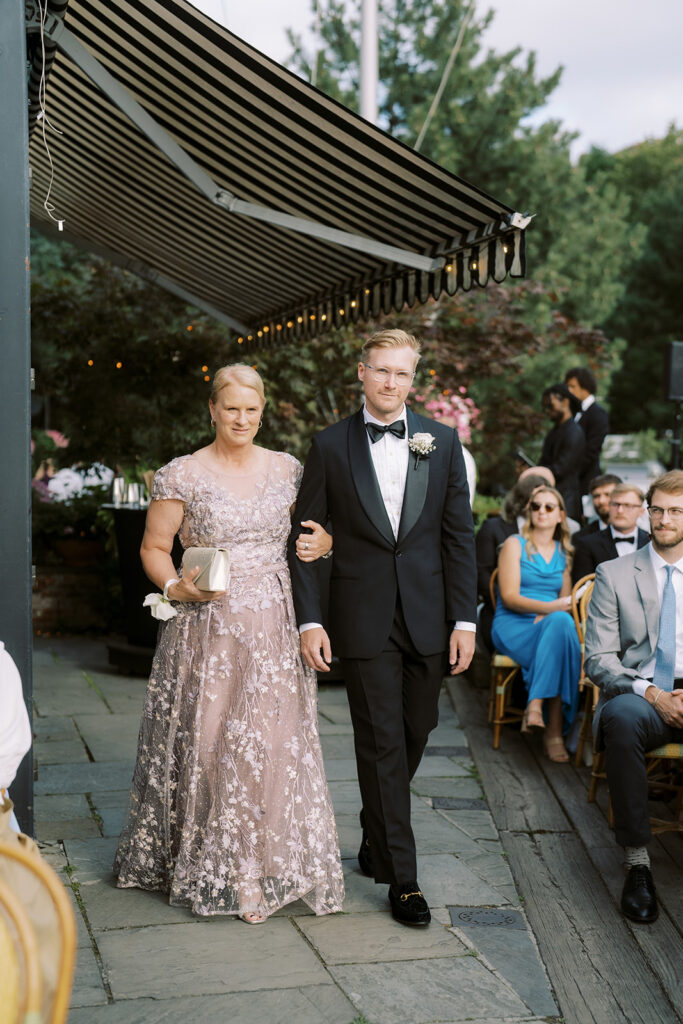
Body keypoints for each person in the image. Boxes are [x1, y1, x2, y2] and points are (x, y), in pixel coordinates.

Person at [114, 364, 344, 924]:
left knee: (269, 744)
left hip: (273, 627)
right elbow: (153, 547)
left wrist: (327, 543)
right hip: (206, 632)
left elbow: (314, 534)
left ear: (261, 411)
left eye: (251, 409)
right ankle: (220, 868)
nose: (242, 419)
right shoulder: (182, 475)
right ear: (212, 410)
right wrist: (174, 586)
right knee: (212, 742)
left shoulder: (289, 469)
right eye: (231, 408)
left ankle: (261, 862)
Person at [287, 329, 477, 927]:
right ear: (362, 373)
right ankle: (405, 879)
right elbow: (306, 542)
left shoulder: (441, 443)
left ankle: (376, 832)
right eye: (381, 371)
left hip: (429, 616)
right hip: (361, 617)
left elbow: (457, 537)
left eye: (402, 373)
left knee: (417, 729)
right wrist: (311, 619)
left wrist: (465, 619)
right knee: (382, 743)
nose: (391, 382)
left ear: (412, 380)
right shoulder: (329, 446)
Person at [584, 470, 683, 924]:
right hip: (640, 692)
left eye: (676, 511)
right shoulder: (615, 572)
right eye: (658, 509)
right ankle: (638, 863)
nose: (664, 519)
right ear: (648, 511)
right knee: (620, 719)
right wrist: (654, 692)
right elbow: (598, 659)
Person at [492, 485, 581, 762]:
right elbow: (508, 597)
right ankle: (553, 732)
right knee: (560, 628)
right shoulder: (513, 544)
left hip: (550, 624)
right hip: (514, 624)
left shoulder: (564, 552)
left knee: (560, 627)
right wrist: (550, 608)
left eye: (549, 507)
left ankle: (536, 704)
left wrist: (554, 612)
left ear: (560, 516)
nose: (541, 511)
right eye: (536, 506)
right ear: (529, 512)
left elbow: (566, 600)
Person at [476, 473, 549, 652]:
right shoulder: (493, 528)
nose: (540, 507)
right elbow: (481, 574)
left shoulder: (551, 532)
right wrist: (514, 602)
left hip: (544, 613)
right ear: (523, 499)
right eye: (535, 500)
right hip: (500, 609)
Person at [572, 483, 650, 583]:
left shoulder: (652, 543)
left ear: (641, 511)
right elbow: (583, 589)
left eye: (627, 505)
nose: (620, 511)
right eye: (616, 505)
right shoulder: (587, 544)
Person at [540, 383, 585, 522]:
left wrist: (537, 472)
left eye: (550, 405)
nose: (547, 411)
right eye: (545, 407)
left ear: (565, 402)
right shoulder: (553, 433)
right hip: (552, 498)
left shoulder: (574, 432)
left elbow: (560, 469)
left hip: (567, 503)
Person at [565, 367, 610, 497]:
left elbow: (592, 451)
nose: (569, 391)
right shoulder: (572, 413)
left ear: (585, 387)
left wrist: (569, 473)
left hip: (586, 482)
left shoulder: (598, 414)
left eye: (573, 386)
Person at [571, 473, 622, 540]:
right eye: (596, 496)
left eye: (607, 495)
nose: (601, 501)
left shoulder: (638, 533)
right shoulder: (581, 537)